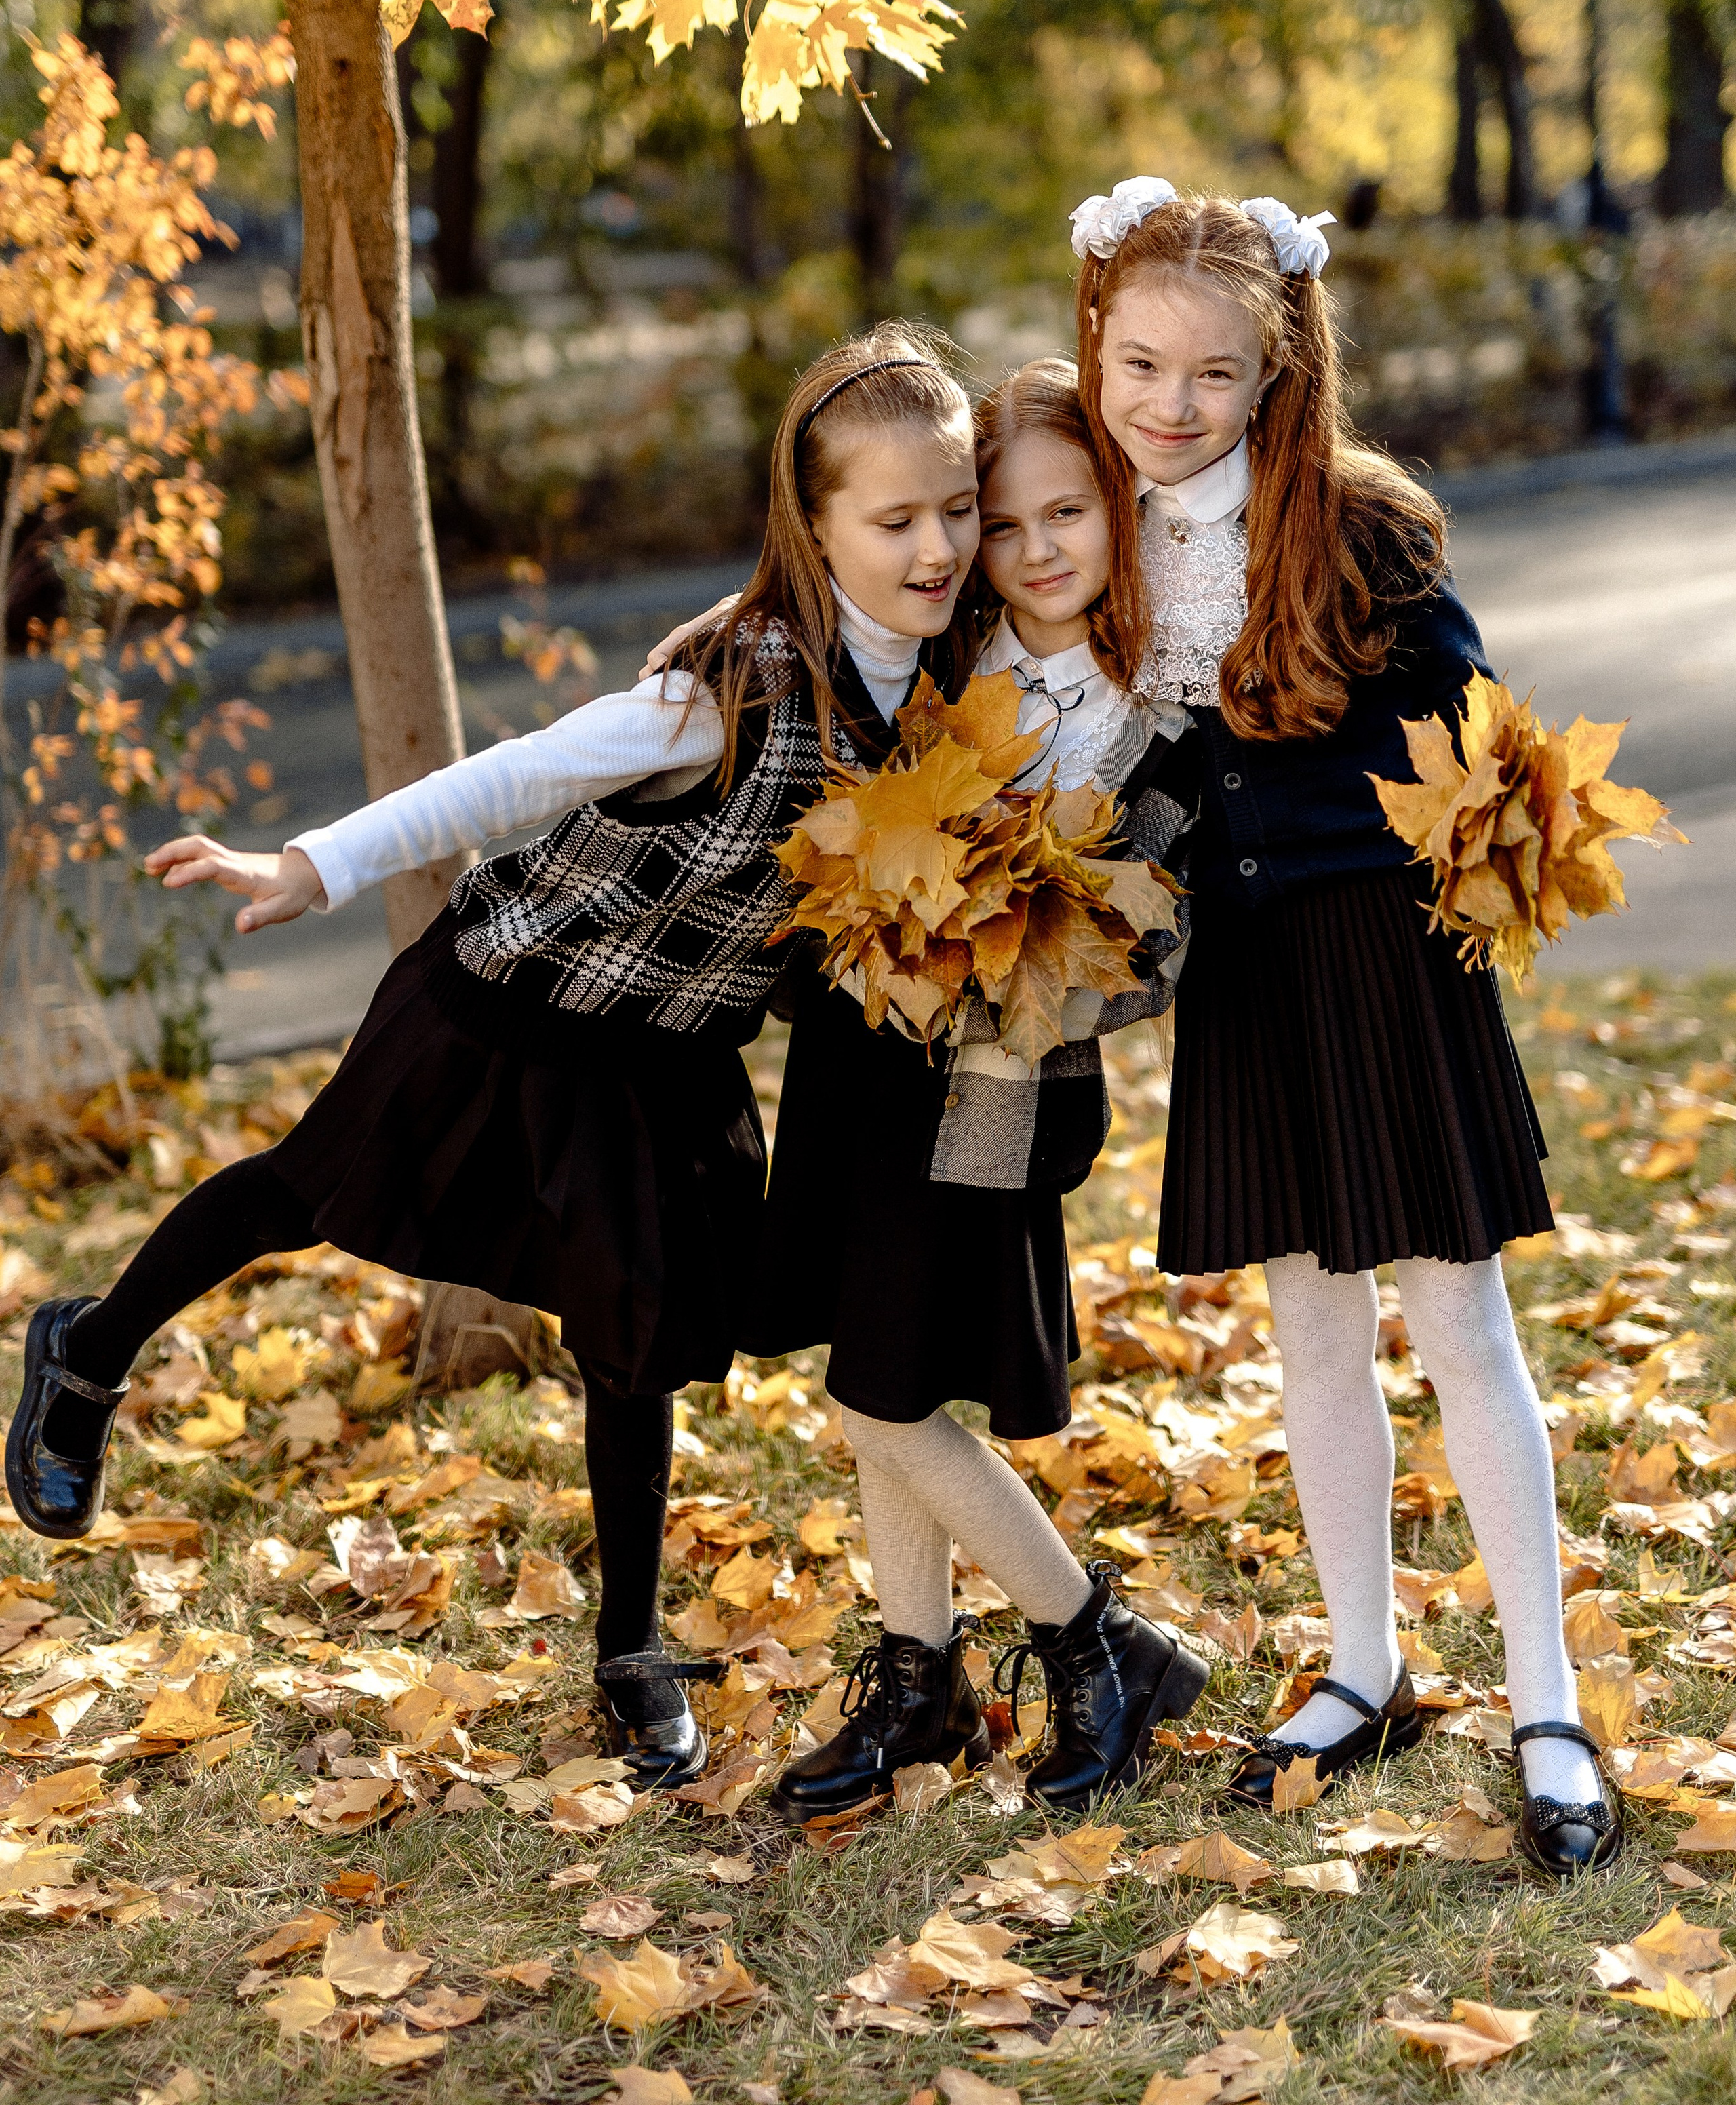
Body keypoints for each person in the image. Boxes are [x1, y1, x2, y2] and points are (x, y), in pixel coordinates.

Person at [5, 328, 979, 1797]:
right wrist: (316, 860)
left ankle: (629, 1651)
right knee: (303, 1194)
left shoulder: (946, 684)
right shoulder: (718, 686)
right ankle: (85, 1351)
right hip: (505, 1002)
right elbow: (513, 773)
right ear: (815, 524)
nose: (934, 547)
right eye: (893, 521)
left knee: (637, 1332)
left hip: (665, 1051)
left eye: (953, 512)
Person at [1069, 176, 1619, 1878]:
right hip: (1239, 979)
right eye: (1139, 364)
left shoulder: (1360, 525)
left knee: (1456, 1321)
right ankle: (1364, 1665)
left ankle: (1545, 1702)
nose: (1169, 405)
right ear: (1091, 345)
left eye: (1211, 377)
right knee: (1307, 1327)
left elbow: (1470, 743)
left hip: (1382, 962)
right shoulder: (1085, 527)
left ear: (1276, 375)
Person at [744, 357, 1208, 1821]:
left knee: (882, 1396)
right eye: (999, 527)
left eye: (1066, 514)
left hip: (991, 1093)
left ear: (1116, 517)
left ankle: (1094, 1640)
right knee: (882, 1367)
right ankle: (916, 1677)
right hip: (861, 1068)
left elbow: (1154, 945)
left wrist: (1013, 933)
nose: (1031, 551)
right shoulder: (947, 658)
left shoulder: (1157, 715)